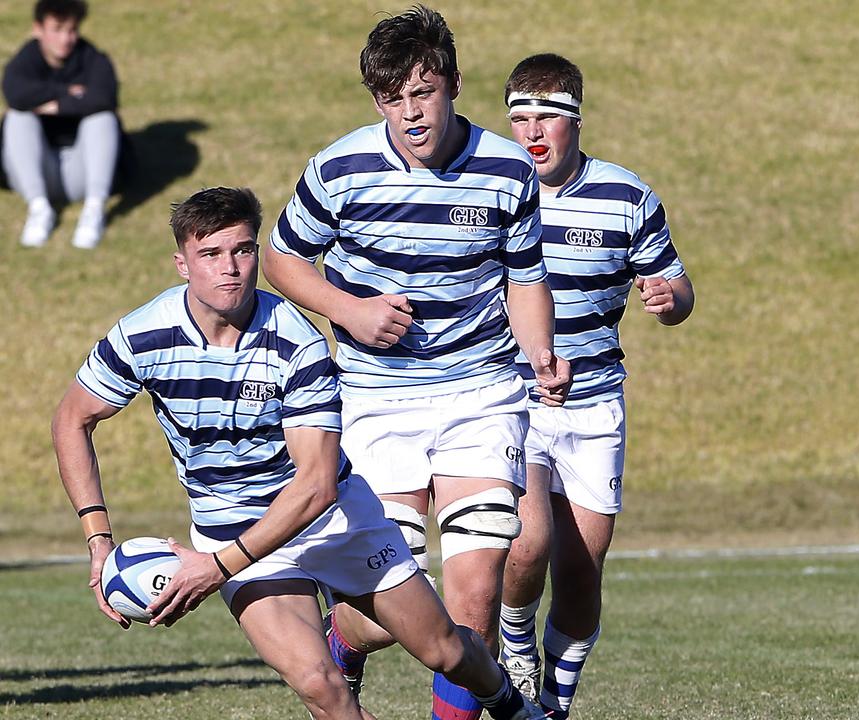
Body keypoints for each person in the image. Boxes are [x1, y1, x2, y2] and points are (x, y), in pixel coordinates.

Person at [50, 187, 541, 720]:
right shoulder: (143, 335)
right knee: (319, 685)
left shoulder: (295, 342)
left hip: (332, 522)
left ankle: (508, 702)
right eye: (210, 255)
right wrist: (99, 540)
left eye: (242, 250)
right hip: (231, 527)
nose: (230, 268)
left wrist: (217, 568)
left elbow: (316, 485)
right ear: (181, 264)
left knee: (444, 649)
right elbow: (72, 419)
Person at [262, 7, 570, 720]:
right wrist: (350, 310)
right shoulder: (338, 169)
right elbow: (281, 259)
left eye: (423, 93)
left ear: (454, 84)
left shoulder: (504, 169)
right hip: (373, 400)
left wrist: (541, 352)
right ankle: (342, 640)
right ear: (377, 102)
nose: (411, 114)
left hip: (480, 391)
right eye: (393, 99)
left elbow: (524, 277)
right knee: (387, 606)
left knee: (475, 594)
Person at [494, 54, 694, 717]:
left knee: (582, 572)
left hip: (596, 403)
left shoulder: (626, 196)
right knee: (528, 543)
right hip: (510, 401)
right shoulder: (490, 191)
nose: (533, 131)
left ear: (576, 118)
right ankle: (515, 635)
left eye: (548, 115)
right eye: (519, 117)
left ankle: (555, 703)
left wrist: (671, 297)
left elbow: (678, 281)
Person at [2, 0, 120, 249]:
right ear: (38, 29)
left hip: (81, 172)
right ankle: (38, 208)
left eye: (72, 30)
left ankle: (94, 209)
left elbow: (104, 97)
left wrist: (57, 105)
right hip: (35, 171)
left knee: (102, 117)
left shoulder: (93, 60)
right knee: (17, 116)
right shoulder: (24, 62)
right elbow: (16, 94)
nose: (66, 39)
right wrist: (69, 92)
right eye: (57, 29)